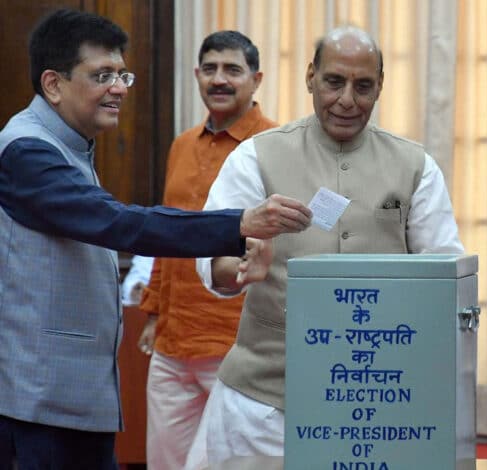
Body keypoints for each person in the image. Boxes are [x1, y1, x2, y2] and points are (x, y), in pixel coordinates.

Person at [0, 9, 312, 470]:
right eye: (102, 75)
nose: (120, 88)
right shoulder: (27, 151)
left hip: (76, 398)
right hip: (37, 403)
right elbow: (125, 225)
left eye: (121, 73)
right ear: (53, 84)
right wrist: (240, 223)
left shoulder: (69, 144)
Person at [184, 25, 464, 468]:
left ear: (381, 86)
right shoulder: (256, 157)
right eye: (334, 82)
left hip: (380, 401)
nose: (347, 100)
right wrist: (239, 268)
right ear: (311, 77)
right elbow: (213, 259)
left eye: (363, 86)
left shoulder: (416, 167)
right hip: (264, 401)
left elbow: (445, 275)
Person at [135, 31, 279, 470]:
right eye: (211, 69)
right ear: (197, 75)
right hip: (174, 341)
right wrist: (155, 314)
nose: (220, 79)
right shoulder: (182, 145)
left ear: (256, 80)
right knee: (165, 462)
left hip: (238, 345)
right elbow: (167, 233)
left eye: (232, 70)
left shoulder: (276, 146)